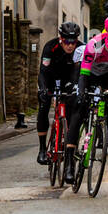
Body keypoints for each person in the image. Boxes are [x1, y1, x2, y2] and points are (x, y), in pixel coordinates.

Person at [64, 14, 108, 183]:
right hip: (88, 74)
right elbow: (83, 74)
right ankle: (69, 165)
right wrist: (81, 93)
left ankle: (106, 126)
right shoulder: (95, 44)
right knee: (78, 111)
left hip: (107, 75)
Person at [36, 22, 82, 165]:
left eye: (73, 42)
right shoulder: (50, 47)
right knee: (43, 107)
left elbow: (81, 74)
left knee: (71, 111)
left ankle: (70, 146)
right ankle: (42, 149)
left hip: (69, 81)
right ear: (61, 39)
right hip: (50, 79)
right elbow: (43, 72)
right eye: (66, 41)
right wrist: (43, 89)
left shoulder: (81, 48)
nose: (70, 45)